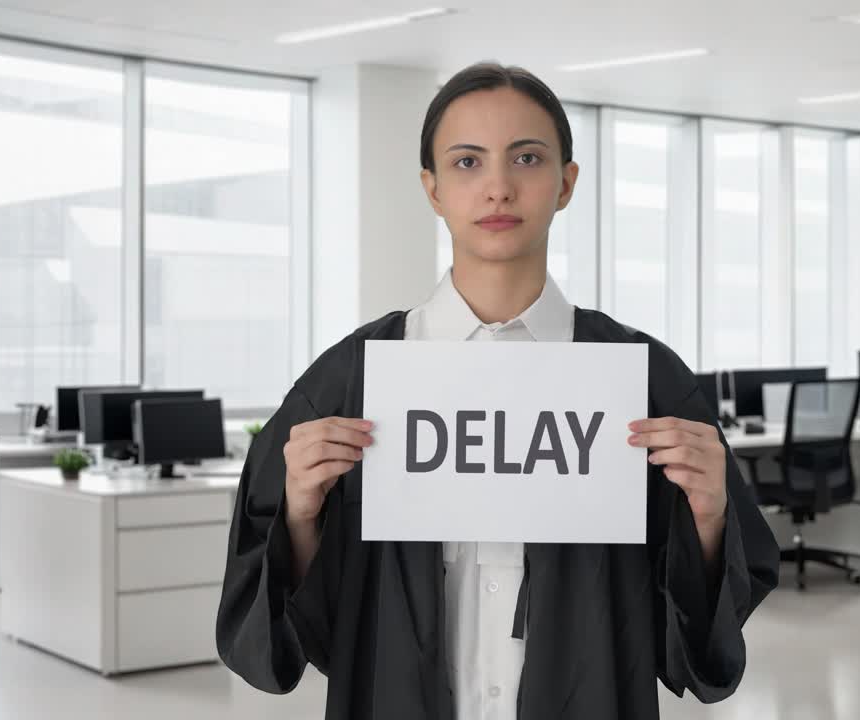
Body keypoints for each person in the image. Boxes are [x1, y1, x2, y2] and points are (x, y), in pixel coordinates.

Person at [216, 62, 780, 720]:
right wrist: (300, 517)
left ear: (566, 182)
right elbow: (280, 631)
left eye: (527, 158)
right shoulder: (354, 379)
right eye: (467, 162)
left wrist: (709, 520)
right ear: (432, 188)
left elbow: (697, 640)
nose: (498, 188)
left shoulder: (640, 379)